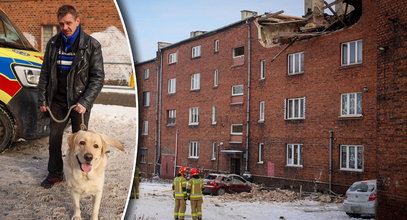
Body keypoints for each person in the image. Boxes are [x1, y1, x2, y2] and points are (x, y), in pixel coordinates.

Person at [38, 4, 104, 188]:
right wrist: (42, 99)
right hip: (57, 102)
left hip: (79, 102)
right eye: (61, 24)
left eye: (68, 23)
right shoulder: (53, 43)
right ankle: (54, 173)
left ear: (77, 21)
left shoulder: (91, 45)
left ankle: (79, 173)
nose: (65, 27)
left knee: (80, 143)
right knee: (54, 139)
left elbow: (98, 78)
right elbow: (44, 73)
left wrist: (85, 102)